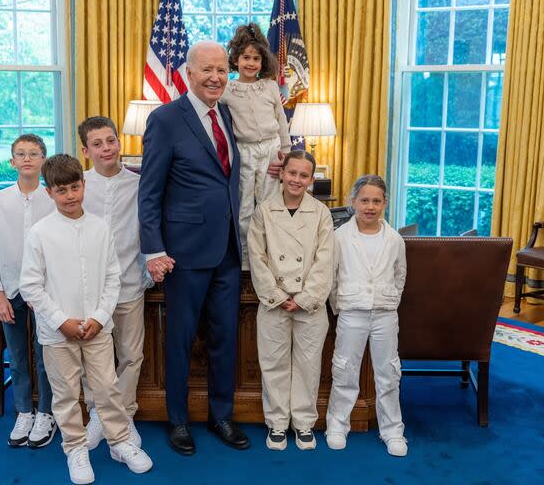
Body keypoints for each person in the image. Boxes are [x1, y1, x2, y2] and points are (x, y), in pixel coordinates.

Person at [138, 41, 250, 455]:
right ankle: (178, 421)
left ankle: (222, 416)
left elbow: (228, 176)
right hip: (182, 254)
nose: (216, 78)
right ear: (189, 72)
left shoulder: (227, 115)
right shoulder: (165, 119)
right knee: (181, 339)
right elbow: (149, 192)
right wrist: (153, 250)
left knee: (225, 339)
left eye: (223, 70)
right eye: (207, 70)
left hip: (227, 250)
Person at [20, 155, 153, 484]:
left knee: (107, 389)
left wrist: (98, 316)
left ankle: (120, 442)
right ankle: (75, 448)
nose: (70, 196)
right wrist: (61, 320)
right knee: (65, 393)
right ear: (49, 193)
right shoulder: (40, 233)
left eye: (75, 187)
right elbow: (31, 286)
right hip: (57, 333)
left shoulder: (100, 227)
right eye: (61, 190)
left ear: (84, 185)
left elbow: (112, 277)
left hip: (97, 328)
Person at [247, 150, 334, 451]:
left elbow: (325, 260)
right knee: (273, 364)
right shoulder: (264, 210)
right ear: (282, 174)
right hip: (274, 301)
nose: (297, 179)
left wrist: (305, 297)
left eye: (303, 175)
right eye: (292, 173)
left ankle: (304, 423)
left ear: (311, 179)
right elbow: (256, 256)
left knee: (309, 365)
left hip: (310, 304)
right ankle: (277, 423)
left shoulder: (321, 213)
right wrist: (278, 295)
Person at [78, 115, 152, 449]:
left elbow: (148, 230)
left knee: (130, 355)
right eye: (97, 143)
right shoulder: (78, 186)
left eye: (111, 140)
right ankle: (98, 414)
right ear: (85, 150)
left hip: (129, 283)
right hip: (87, 289)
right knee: (93, 357)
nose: (107, 148)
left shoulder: (139, 184)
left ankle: (121, 417)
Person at [0, 133, 57, 449]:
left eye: (34, 153)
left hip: (46, 289)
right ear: (12, 162)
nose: (27, 158)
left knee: (46, 353)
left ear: (43, 161)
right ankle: (24, 410)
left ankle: (46, 413)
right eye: (21, 154)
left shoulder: (53, 199)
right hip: (10, 287)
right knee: (18, 355)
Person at [325, 174, 408, 457]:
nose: (370, 207)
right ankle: (337, 425)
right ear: (353, 202)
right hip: (351, 312)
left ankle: (393, 430)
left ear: (384, 203)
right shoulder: (339, 237)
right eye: (364, 201)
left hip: (385, 314)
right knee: (345, 369)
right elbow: (332, 277)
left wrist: (390, 301)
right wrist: (341, 306)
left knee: (388, 372)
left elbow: (400, 275)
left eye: (376, 201)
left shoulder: (395, 239)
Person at [222, 23, 292, 269]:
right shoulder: (227, 90)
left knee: (269, 203)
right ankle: (244, 258)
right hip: (245, 150)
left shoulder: (271, 86)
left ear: (263, 61)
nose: (251, 63)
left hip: (271, 149)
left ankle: (268, 254)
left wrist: (287, 153)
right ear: (236, 59)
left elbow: (281, 120)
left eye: (256, 58)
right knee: (244, 207)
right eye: (245, 58)